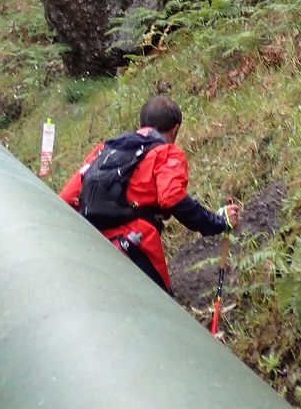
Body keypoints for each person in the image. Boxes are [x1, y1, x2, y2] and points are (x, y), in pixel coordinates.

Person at [59, 95, 240, 293]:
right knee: (161, 312)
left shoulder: (104, 150)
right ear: (175, 128)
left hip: (91, 244)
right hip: (135, 244)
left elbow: (66, 198)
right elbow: (172, 197)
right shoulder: (166, 153)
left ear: (141, 123)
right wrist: (216, 222)